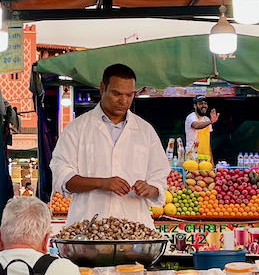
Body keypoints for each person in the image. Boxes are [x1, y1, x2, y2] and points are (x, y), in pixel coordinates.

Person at [50, 63, 170, 226]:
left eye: (129, 95)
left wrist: (151, 188)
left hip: (134, 228)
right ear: (102, 88)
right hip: (88, 228)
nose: (123, 101)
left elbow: (160, 176)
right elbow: (62, 176)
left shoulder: (145, 131)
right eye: (117, 94)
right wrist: (102, 183)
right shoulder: (77, 128)